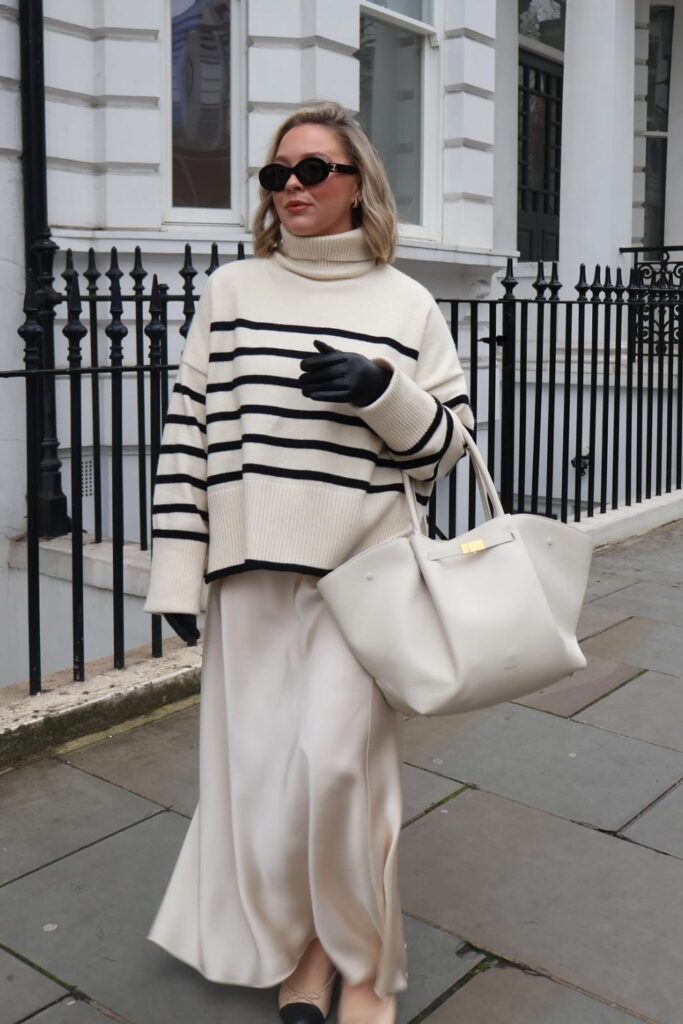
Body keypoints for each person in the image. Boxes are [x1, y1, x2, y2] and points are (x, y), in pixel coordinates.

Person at [143, 100, 474, 1024]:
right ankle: (301, 956)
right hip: (248, 571)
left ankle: (359, 965)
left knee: (338, 770)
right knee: (261, 779)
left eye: (313, 170)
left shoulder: (404, 303)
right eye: (276, 173)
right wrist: (177, 573)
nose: (291, 186)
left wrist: (384, 393)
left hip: (361, 575)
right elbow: (188, 439)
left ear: (357, 183)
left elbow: (449, 449)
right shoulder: (232, 293)